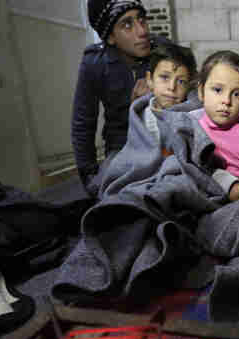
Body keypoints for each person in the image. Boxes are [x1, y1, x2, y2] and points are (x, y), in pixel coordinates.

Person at [73, 0, 169, 197]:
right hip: (121, 146)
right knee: (114, 198)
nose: (142, 31)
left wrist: (157, 97)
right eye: (127, 25)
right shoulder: (95, 63)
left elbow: (193, 100)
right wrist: (90, 177)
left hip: (165, 143)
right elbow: (83, 124)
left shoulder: (163, 51)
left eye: (142, 20)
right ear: (110, 37)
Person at [189, 50, 239, 203]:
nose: (226, 100)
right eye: (218, 90)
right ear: (201, 92)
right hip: (211, 196)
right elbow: (189, 167)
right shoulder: (190, 125)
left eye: (237, 94)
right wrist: (230, 185)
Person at [140, 42, 197, 153]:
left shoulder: (192, 116)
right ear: (150, 80)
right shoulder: (140, 116)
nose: (172, 87)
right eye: (165, 77)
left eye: (181, 81)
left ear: (189, 85)